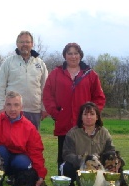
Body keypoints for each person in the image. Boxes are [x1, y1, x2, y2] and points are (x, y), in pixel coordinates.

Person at [43, 42, 106, 174]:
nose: (73, 56)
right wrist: (56, 113)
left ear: (80, 55)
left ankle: (87, 184)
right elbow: (47, 95)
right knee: (64, 156)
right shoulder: (56, 73)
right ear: (65, 56)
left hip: (85, 125)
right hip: (64, 123)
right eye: (69, 53)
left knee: (87, 156)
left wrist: (92, 114)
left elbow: (99, 98)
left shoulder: (91, 75)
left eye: (76, 53)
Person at [0, 31, 48, 130]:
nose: (25, 45)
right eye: (22, 42)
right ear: (17, 44)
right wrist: (0, 108)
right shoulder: (8, 62)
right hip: (13, 111)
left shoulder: (40, 64)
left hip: (34, 111)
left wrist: (44, 108)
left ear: (32, 44)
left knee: (32, 143)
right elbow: (0, 86)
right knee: (12, 142)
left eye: (27, 42)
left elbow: (46, 87)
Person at [61, 102, 116, 186]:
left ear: (97, 117)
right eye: (85, 114)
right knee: (67, 167)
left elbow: (111, 151)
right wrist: (83, 161)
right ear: (81, 117)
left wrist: (104, 163)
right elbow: (67, 154)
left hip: (99, 166)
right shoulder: (72, 133)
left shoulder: (104, 133)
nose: (89, 117)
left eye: (92, 114)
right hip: (80, 167)